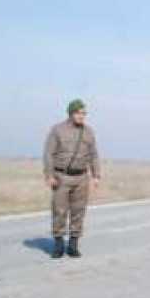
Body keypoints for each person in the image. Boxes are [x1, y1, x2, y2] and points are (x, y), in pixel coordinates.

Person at [43, 99, 101, 259]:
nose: (82, 116)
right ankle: (59, 244)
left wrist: (96, 175)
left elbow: (94, 154)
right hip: (62, 176)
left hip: (82, 177)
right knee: (59, 210)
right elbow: (49, 154)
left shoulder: (88, 132)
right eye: (79, 113)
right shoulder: (57, 130)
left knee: (78, 211)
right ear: (71, 113)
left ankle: (73, 244)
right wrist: (49, 175)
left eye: (84, 113)